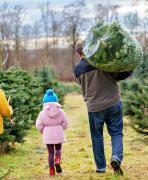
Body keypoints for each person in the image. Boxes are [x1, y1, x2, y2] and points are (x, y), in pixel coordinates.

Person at [73, 42, 132, 175]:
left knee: (97, 137)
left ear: (78, 53)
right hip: (113, 102)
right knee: (116, 133)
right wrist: (129, 68)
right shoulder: (102, 62)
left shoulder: (77, 70)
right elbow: (120, 75)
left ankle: (101, 168)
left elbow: (80, 83)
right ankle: (116, 157)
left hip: (94, 107)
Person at [36, 89, 68, 176]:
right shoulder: (61, 111)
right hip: (58, 133)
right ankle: (57, 160)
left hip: (48, 135)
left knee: (50, 152)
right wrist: (62, 128)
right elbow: (65, 122)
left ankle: (51, 170)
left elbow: (38, 124)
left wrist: (42, 131)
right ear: (56, 100)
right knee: (58, 149)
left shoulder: (42, 113)